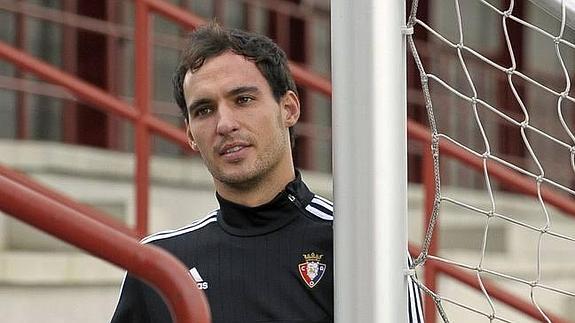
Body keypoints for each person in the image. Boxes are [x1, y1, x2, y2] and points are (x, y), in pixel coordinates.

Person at [111, 22, 424, 323]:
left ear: (288, 109)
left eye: (243, 99)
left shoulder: (361, 245)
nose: (224, 124)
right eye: (204, 110)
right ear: (190, 134)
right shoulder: (160, 265)